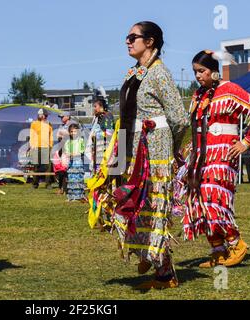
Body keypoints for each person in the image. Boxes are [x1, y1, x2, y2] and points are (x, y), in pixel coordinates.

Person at [100, 21, 189, 289]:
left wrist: (171, 148)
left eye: (133, 37)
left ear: (150, 42)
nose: (127, 41)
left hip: (155, 153)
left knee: (153, 209)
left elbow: (180, 118)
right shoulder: (137, 72)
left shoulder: (159, 73)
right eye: (127, 37)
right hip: (133, 150)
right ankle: (156, 262)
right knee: (137, 207)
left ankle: (164, 272)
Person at [177, 50, 250, 270]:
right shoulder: (199, 95)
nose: (198, 76)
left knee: (213, 199)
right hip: (201, 156)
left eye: (202, 71)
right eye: (195, 72)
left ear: (214, 71)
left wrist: (246, 142)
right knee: (197, 200)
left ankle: (236, 244)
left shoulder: (229, 89)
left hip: (223, 155)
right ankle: (218, 251)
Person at [87, 99, 115, 174]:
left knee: (104, 169)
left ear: (101, 106)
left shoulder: (108, 115)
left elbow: (110, 133)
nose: (94, 108)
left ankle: (105, 185)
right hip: (98, 146)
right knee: (97, 169)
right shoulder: (98, 116)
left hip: (105, 147)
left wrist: (98, 134)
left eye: (95, 106)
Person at [29, 108, 53, 188]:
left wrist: (50, 146)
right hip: (36, 147)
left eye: (46, 115)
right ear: (40, 115)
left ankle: (48, 184)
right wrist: (32, 146)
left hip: (46, 147)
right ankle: (35, 184)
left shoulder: (49, 124)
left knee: (47, 167)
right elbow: (31, 135)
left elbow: (51, 136)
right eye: (45, 115)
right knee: (36, 166)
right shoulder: (34, 123)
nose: (46, 117)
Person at [63, 123, 86, 202]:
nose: (73, 133)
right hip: (71, 162)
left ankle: (79, 196)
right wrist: (68, 154)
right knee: (71, 178)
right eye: (71, 131)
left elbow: (82, 150)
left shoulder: (81, 140)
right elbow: (66, 150)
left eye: (75, 131)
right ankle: (71, 196)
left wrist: (75, 154)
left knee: (78, 178)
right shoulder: (68, 141)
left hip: (78, 161)